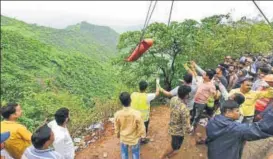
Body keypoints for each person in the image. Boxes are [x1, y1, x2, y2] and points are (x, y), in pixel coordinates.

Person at [206, 100, 273, 159]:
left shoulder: (213, 120)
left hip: (213, 154)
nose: (240, 113)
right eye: (237, 111)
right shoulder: (237, 129)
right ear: (228, 112)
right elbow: (263, 128)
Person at [160, 85, 192, 159]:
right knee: (174, 147)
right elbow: (187, 127)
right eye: (188, 93)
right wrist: (190, 129)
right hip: (178, 132)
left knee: (175, 146)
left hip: (172, 125)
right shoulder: (184, 109)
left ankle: (167, 157)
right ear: (186, 95)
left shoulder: (173, 99)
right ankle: (163, 157)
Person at [114, 92, 146, 159]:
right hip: (134, 139)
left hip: (123, 138)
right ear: (130, 100)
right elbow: (141, 127)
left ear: (121, 102)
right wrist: (143, 136)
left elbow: (116, 127)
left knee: (124, 154)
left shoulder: (117, 114)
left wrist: (117, 134)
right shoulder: (137, 114)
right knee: (135, 154)